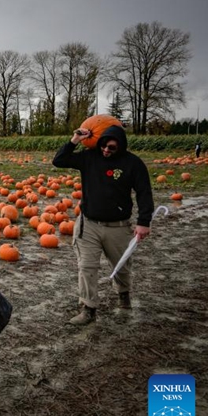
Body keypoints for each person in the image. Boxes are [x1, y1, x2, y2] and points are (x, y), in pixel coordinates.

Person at [53, 125, 154, 325]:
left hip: (118, 226)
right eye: (103, 146)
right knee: (86, 266)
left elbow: (144, 192)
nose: (106, 150)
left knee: (122, 266)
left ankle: (124, 295)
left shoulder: (133, 163)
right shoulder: (89, 157)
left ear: (121, 146)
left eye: (112, 147)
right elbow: (59, 161)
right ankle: (88, 309)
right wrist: (75, 140)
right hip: (88, 223)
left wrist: (144, 222)